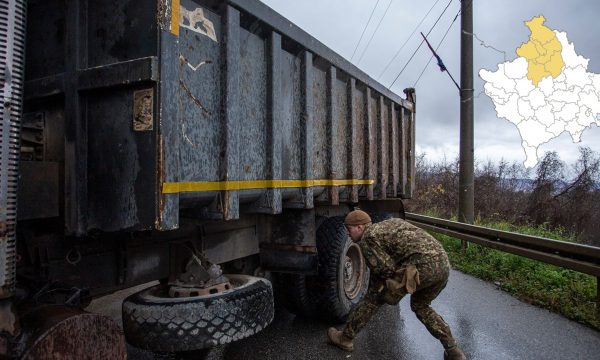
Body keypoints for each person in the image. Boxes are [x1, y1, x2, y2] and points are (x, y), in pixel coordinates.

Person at [327, 210, 466, 360]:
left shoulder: (367, 238)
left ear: (360, 227)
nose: (348, 233)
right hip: (443, 265)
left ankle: (345, 338)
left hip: (421, 267)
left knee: (372, 300)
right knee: (421, 306)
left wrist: (382, 289)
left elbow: (385, 269)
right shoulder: (388, 226)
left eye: (349, 229)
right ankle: (453, 351)